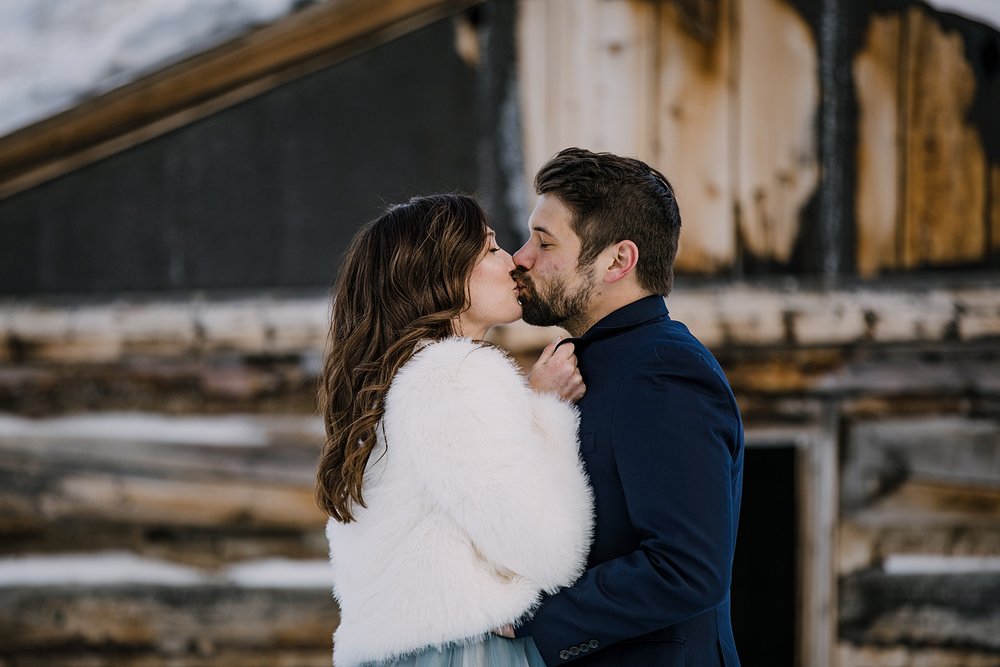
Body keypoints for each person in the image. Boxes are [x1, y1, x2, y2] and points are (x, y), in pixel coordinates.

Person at [316, 194, 595, 667]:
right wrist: (546, 411)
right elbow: (550, 549)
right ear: (441, 276)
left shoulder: (393, 383)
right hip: (467, 651)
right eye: (489, 249)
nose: (513, 261)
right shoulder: (453, 375)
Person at [502, 148, 744, 666]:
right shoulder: (585, 366)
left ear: (618, 261)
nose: (521, 257)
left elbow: (687, 568)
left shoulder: (664, 370)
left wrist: (531, 615)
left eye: (544, 242)